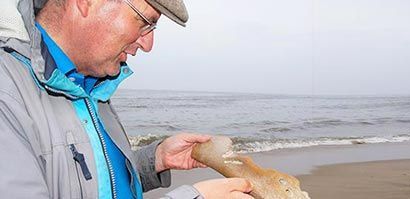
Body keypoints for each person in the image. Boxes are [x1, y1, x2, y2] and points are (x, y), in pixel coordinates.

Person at [0, 0, 254, 198]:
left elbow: (84, 180)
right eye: (145, 21)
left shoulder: (92, 83)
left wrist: (153, 161)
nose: (148, 44)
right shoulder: (7, 90)